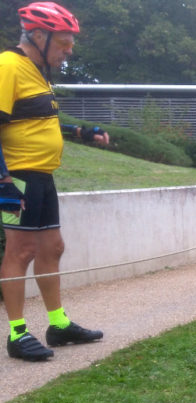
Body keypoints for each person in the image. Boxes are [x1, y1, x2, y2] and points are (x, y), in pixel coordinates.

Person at [1, 2, 109, 362]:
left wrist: (81, 131)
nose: (69, 51)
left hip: (42, 176)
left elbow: (37, 120)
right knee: (20, 252)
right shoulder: (8, 66)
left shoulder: (36, 72)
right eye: (64, 43)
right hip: (16, 177)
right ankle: (17, 334)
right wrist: (3, 181)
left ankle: (58, 324)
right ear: (38, 35)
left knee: (53, 248)